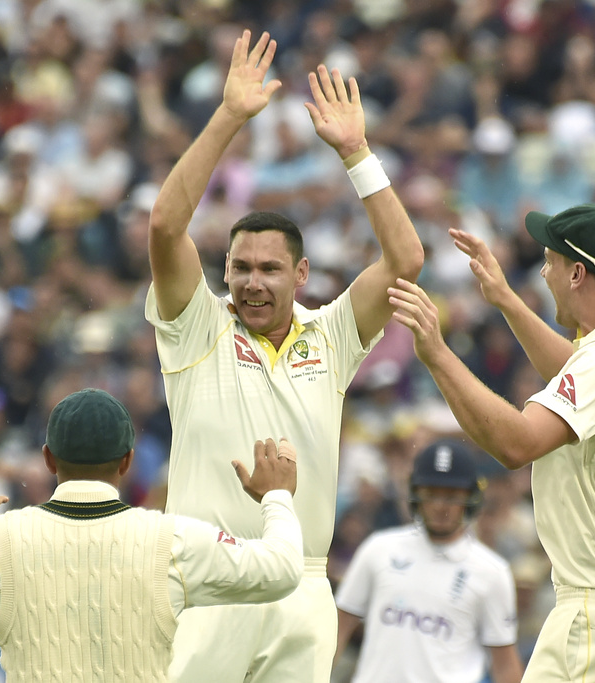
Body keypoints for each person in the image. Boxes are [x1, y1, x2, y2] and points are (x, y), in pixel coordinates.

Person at [146, 29, 423, 683]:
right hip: (208, 576)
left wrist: (357, 152)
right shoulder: (197, 325)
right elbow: (163, 226)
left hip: (302, 583)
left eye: (269, 268)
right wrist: (230, 117)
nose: (251, 282)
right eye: (240, 267)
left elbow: (407, 260)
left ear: (300, 274)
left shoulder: (330, 336)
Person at [388, 203, 595, 682]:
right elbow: (579, 373)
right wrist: (505, 298)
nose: (544, 273)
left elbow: (517, 445)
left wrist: (437, 355)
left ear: (577, 273)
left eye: (550, 261)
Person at [0, 387, 305, 681]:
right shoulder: (170, 538)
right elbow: (283, 569)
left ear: (48, 459)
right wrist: (277, 498)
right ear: (127, 462)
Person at [334, 438, 523, 683]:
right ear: (415, 493)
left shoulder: (492, 572)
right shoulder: (378, 549)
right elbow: (337, 631)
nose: (440, 506)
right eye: (431, 493)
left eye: (452, 495)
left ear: (471, 497)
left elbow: (506, 667)